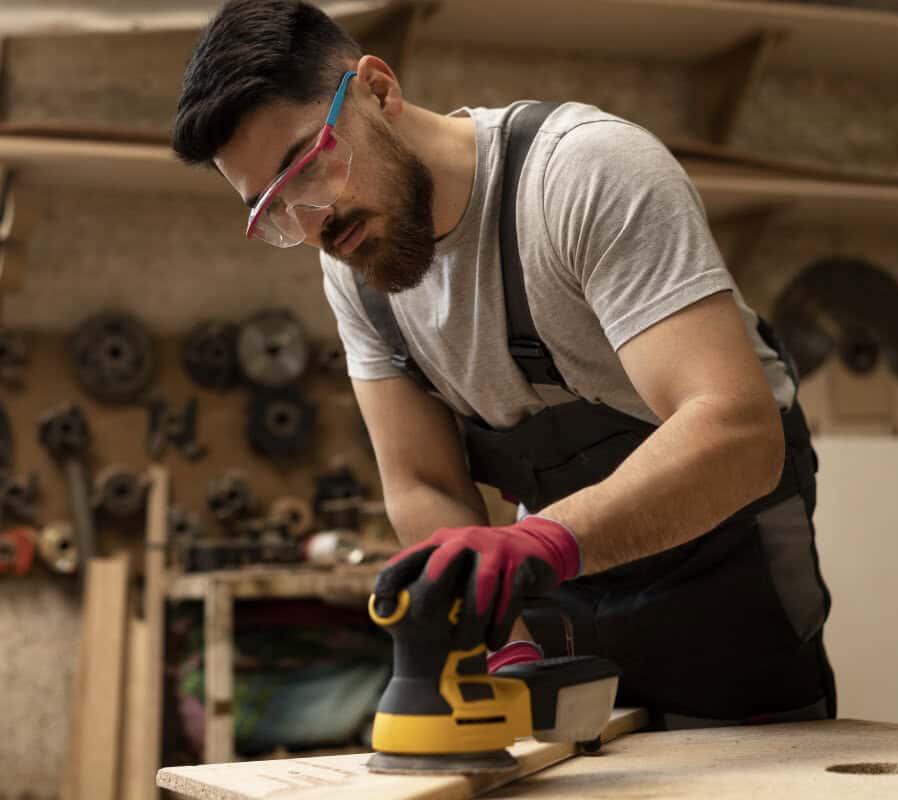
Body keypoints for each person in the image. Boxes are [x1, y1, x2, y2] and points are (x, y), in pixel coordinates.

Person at [171, 0, 835, 727]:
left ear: (379, 91)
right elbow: (421, 480)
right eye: (272, 209)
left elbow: (735, 430)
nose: (312, 223)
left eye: (308, 165)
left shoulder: (580, 175)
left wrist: (543, 539)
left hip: (728, 574)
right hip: (563, 587)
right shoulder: (356, 270)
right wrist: (499, 646)